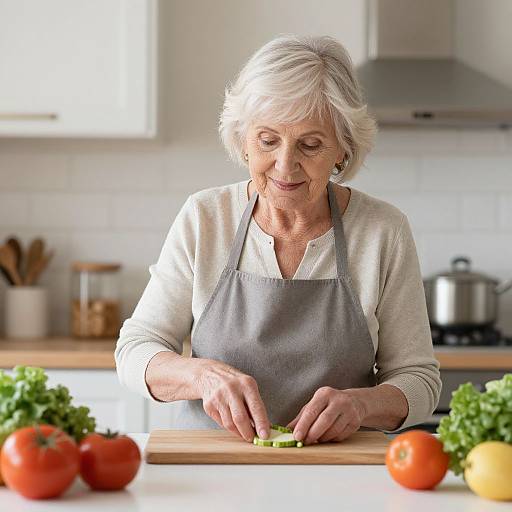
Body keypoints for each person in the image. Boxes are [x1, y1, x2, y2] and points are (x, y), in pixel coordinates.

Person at [115, 34, 441, 445]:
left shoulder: (382, 231)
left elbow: (420, 380)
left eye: (310, 144)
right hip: (210, 473)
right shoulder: (205, 218)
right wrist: (202, 376)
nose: (285, 165)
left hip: (340, 477)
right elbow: (135, 350)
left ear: (342, 149)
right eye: (268, 140)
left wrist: (362, 405)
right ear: (243, 141)